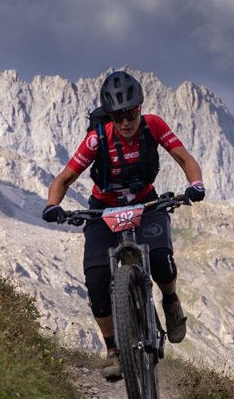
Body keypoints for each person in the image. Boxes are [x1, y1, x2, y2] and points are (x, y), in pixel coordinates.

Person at [42, 70, 206, 381]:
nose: (126, 122)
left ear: (140, 108)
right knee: (96, 278)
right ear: (110, 117)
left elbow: (185, 158)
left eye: (131, 113)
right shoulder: (97, 139)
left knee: (161, 260)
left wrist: (195, 184)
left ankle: (170, 302)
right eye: (118, 116)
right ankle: (113, 350)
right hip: (103, 210)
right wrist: (53, 206)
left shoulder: (153, 126)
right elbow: (64, 179)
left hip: (146, 204)